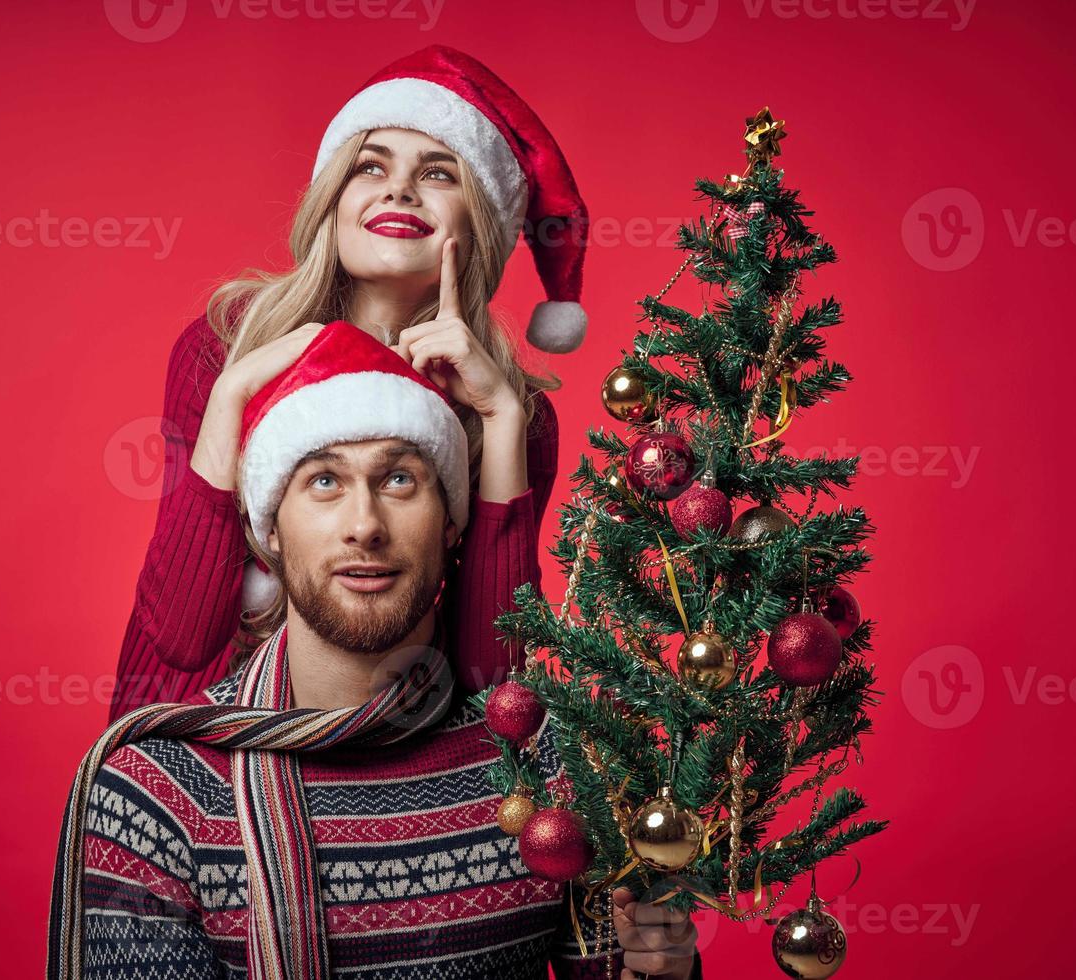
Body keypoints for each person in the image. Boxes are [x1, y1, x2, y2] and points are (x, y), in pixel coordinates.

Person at [52, 323, 702, 980]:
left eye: (398, 480)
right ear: (269, 531)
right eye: (325, 482)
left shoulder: (559, 766)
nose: (364, 524)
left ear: (451, 524)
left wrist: (664, 972)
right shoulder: (156, 797)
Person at [110, 44, 595, 722]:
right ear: (333, 201)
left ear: (481, 223)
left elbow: (493, 676)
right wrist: (230, 398)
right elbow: (181, 637)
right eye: (371, 166)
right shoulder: (225, 345)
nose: (400, 190)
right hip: (199, 729)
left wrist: (503, 421)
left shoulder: (516, 408)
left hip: (398, 742)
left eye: (439, 173)